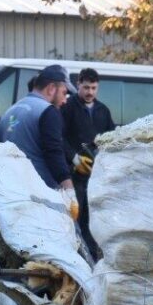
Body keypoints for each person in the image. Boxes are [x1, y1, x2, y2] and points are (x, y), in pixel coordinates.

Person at [63, 67, 116, 259]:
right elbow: (58, 137)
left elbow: (111, 137)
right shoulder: (67, 107)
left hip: (96, 176)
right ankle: (74, 256)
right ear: (78, 85)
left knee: (92, 221)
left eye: (93, 88)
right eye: (86, 87)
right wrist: (73, 158)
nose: (89, 92)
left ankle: (92, 258)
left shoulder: (103, 110)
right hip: (73, 176)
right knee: (74, 219)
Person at [0, 65, 74, 191]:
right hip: (40, 194)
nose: (65, 100)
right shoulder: (48, 111)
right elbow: (53, 152)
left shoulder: (10, 111)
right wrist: (69, 189)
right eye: (64, 93)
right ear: (51, 89)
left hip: (11, 190)